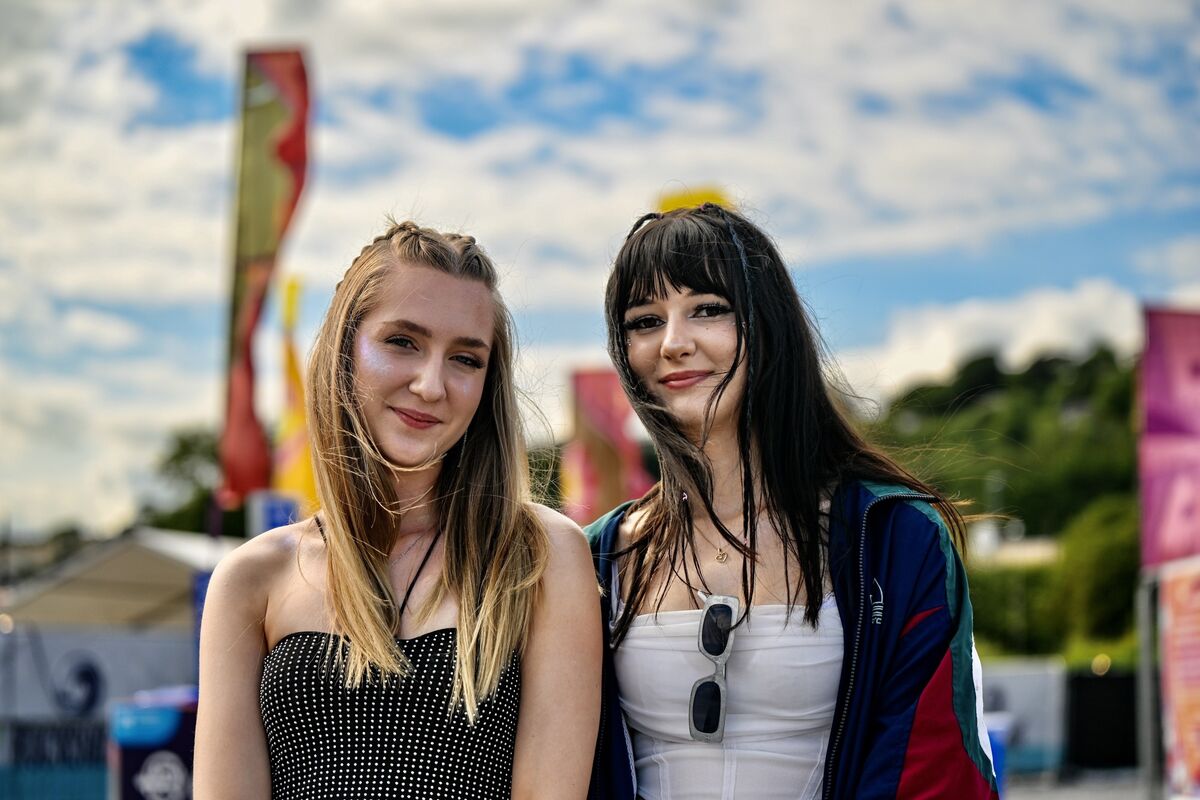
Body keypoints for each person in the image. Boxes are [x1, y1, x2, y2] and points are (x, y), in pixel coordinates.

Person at [585, 204, 998, 799]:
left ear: (768, 324)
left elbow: (932, 767)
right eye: (644, 321)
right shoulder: (595, 556)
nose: (673, 343)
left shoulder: (893, 539)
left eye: (707, 309)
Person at [195, 220, 601, 799]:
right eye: (403, 342)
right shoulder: (252, 577)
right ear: (345, 351)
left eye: (465, 359)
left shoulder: (540, 553)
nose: (432, 385)